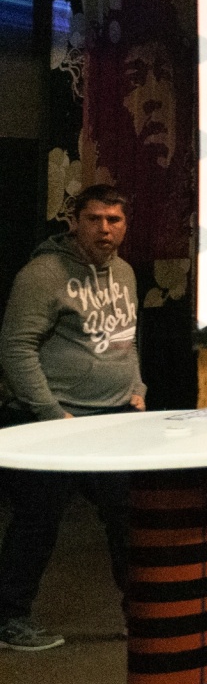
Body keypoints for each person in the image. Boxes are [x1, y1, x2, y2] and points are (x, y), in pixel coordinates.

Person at [0, 186, 141, 652]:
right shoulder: (43, 274)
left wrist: (137, 387)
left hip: (113, 419)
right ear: (74, 222)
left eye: (114, 220)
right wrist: (50, 413)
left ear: (125, 225)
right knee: (38, 522)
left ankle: (142, 613)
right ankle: (9, 618)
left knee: (126, 519)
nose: (105, 228)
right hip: (54, 418)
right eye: (95, 218)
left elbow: (127, 335)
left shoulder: (124, 271)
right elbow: (16, 348)